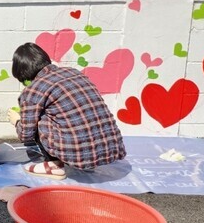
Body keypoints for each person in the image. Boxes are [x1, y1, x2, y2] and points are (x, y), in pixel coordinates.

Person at [8, 42, 126, 178]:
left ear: (21, 71)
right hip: (110, 148)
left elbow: (26, 134)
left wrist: (17, 121)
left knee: (38, 119)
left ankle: (53, 165)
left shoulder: (34, 90)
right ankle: (89, 162)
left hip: (78, 151)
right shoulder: (74, 73)